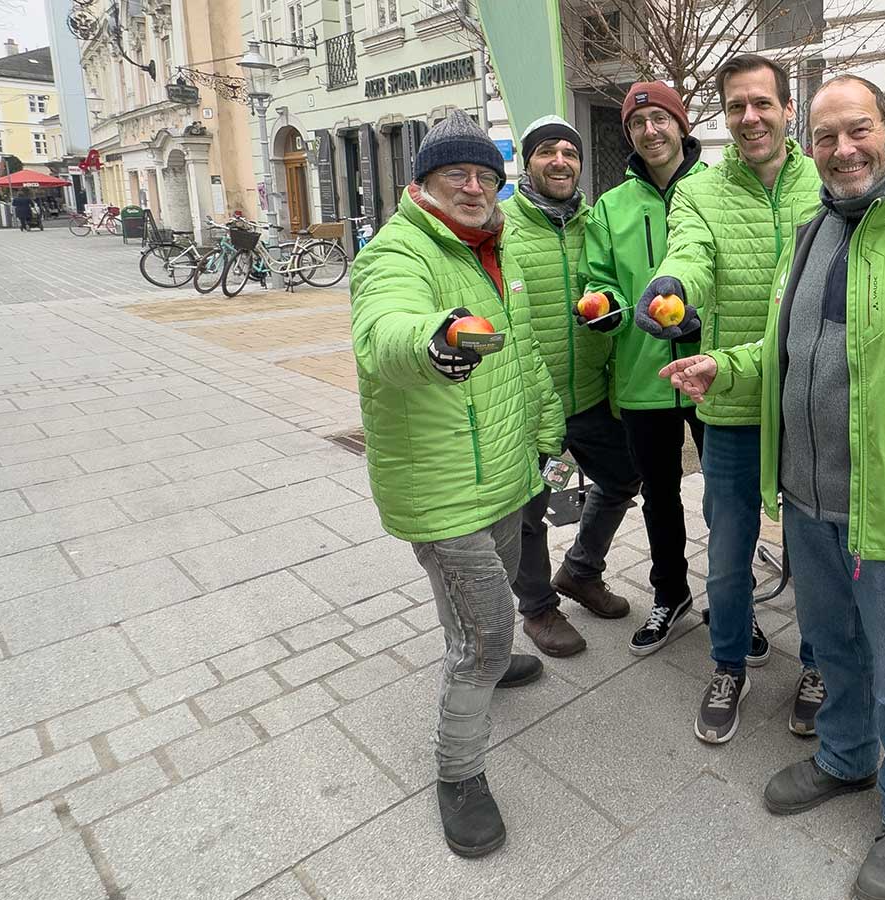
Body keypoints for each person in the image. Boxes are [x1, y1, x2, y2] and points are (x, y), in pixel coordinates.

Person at [661, 74, 885, 900]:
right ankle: (846, 759)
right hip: (809, 502)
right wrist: (727, 365)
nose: (842, 149)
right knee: (834, 651)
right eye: (826, 138)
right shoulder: (810, 231)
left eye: (857, 130)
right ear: (809, 146)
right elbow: (792, 350)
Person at [348, 109, 553, 858]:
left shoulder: (494, 248)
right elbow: (385, 333)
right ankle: (458, 774)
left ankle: (486, 663)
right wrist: (433, 341)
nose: (473, 187)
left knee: (480, 608)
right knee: (485, 636)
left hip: (498, 473)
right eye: (455, 175)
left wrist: (546, 427)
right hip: (441, 488)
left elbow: (522, 355)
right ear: (423, 184)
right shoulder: (398, 251)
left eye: (484, 175)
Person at [633, 54, 825, 744]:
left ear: (787, 108)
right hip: (731, 392)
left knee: (817, 548)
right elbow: (690, 256)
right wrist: (670, 288)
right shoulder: (700, 193)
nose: (751, 118)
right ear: (724, 116)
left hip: (814, 400)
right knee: (731, 544)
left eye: (763, 104)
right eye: (737, 106)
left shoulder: (825, 181)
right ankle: (728, 664)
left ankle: (819, 664)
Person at [499, 114, 642, 658]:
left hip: (589, 392)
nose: (560, 161)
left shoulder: (595, 222)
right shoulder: (502, 223)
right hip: (527, 400)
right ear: (526, 162)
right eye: (547, 153)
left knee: (621, 477)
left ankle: (581, 570)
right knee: (531, 508)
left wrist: (612, 314)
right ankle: (537, 607)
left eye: (570, 152)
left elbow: (614, 286)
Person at [578, 81, 710, 666]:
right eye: (638, 123)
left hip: (716, 372)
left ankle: (734, 606)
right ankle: (670, 592)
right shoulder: (612, 207)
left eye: (661, 119)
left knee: (726, 502)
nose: (650, 131)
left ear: (681, 125)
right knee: (659, 496)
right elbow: (599, 278)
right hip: (642, 376)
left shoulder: (718, 190)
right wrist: (600, 306)